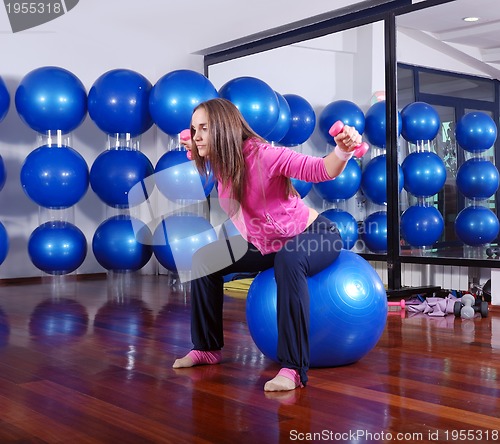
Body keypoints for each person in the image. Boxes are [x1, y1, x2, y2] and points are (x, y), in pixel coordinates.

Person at [173, 97, 362, 392]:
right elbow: (199, 150)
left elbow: (322, 169)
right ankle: (207, 348)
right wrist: (196, 142)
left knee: (289, 259)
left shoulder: (265, 155)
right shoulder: (222, 161)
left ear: (224, 129)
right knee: (203, 260)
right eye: (193, 128)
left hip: (315, 235)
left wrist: (343, 150)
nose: (196, 135)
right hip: (267, 244)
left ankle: (294, 368)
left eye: (204, 128)